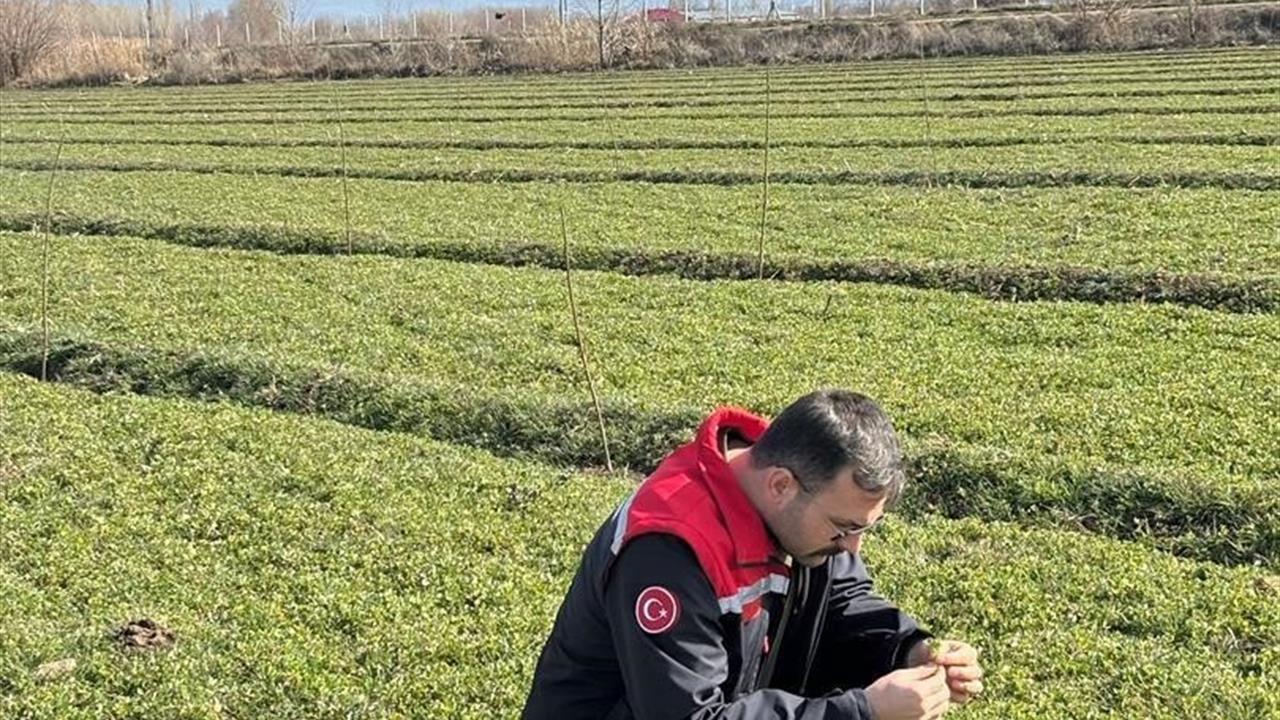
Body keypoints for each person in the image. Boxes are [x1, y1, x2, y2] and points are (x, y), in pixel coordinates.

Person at [522, 389, 984, 720]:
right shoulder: (670, 550)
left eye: (864, 528)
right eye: (845, 527)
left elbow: (840, 599)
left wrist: (908, 648)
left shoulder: (795, 495)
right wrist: (860, 712)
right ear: (781, 485)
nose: (852, 547)